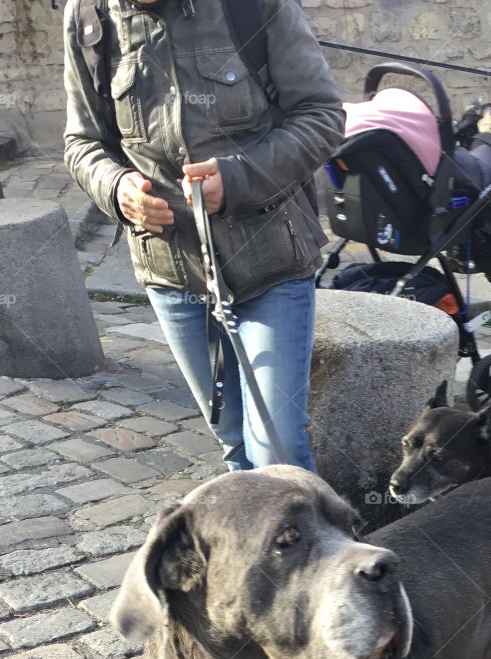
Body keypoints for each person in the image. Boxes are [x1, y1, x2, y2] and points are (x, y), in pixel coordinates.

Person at [63, 0, 344, 471]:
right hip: (171, 272)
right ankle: (251, 546)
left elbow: (322, 116)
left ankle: (319, 543)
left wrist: (237, 179)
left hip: (270, 261)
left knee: (275, 449)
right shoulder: (89, 17)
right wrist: (116, 188)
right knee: (235, 444)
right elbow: (82, 142)